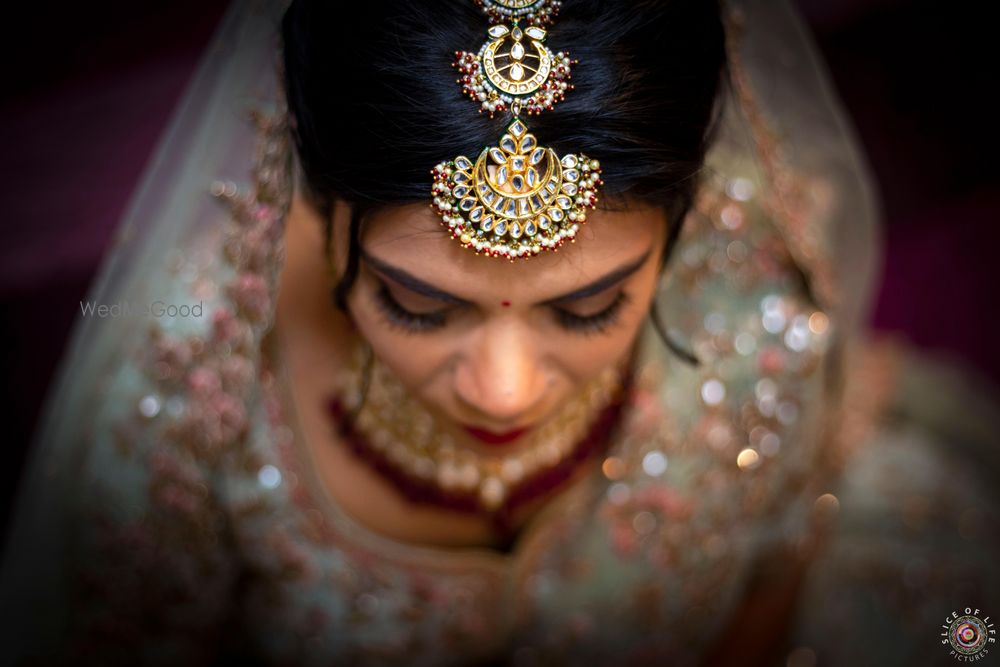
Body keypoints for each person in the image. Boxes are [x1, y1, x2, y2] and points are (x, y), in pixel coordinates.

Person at [1, 0, 998, 665]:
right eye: (420, 306)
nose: (506, 389)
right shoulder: (187, 387)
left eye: (591, 305)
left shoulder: (759, 277)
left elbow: (780, 560)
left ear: (686, 220)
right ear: (310, 198)